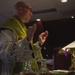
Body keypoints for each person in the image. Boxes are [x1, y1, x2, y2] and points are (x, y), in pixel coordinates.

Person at [0, 1, 48, 75]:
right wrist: (27, 40)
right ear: (20, 9)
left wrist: (39, 43)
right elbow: (5, 54)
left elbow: (29, 54)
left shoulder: (23, 28)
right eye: (30, 10)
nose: (31, 13)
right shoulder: (9, 27)